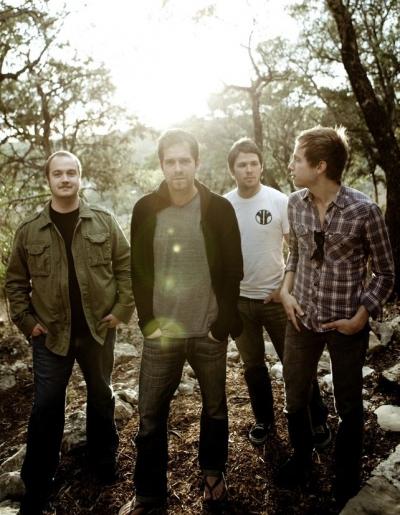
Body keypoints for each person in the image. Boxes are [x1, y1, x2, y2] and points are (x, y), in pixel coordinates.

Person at [119, 129, 243, 515]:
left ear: (196, 163)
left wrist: (221, 324)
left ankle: (213, 477)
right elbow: (138, 270)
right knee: (150, 416)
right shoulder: (145, 209)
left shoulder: (218, 208)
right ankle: (148, 494)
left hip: (208, 330)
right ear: (161, 165)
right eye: (170, 161)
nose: (177, 168)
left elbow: (233, 269)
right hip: (162, 334)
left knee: (215, 408)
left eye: (184, 161)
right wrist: (148, 323)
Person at [5, 151, 135, 515]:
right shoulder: (30, 229)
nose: (65, 179)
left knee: (101, 395)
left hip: (97, 329)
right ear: (48, 179)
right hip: (50, 334)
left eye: (71, 173)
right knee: (46, 405)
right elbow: (15, 282)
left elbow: (126, 267)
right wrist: (26, 321)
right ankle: (38, 480)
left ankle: (102, 461)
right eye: (58, 174)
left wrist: (122, 310)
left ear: (80, 177)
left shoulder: (103, 221)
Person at [278, 127, 395, 507]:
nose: (291, 164)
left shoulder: (364, 210)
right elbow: (295, 254)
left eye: (297, 158)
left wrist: (362, 316)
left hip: (346, 326)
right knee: (295, 397)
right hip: (301, 320)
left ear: (320, 166)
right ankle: (302, 460)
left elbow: (386, 273)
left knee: (349, 406)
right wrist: (285, 292)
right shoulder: (294, 203)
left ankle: (346, 478)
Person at [224, 138, 330, 448]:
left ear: (261, 166)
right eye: (242, 165)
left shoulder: (279, 200)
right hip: (240, 301)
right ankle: (264, 420)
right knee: (253, 366)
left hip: (276, 299)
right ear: (232, 170)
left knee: (296, 364)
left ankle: (317, 419)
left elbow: (297, 249)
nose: (249, 170)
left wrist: (286, 288)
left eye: (253, 163)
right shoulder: (224, 206)